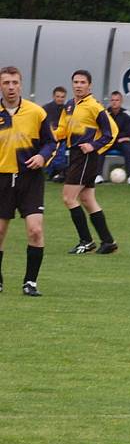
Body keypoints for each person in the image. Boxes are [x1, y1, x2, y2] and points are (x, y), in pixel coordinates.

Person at [0, 66, 56, 296]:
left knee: (35, 230)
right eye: (6, 83)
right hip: (2, 179)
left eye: (15, 82)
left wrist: (42, 156)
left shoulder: (36, 112)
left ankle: (30, 282)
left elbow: (51, 143)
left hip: (29, 179)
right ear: (1, 86)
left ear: (21, 84)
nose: (11, 87)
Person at [54, 69, 119, 255]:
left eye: (83, 82)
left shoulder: (95, 107)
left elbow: (111, 133)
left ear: (90, 85)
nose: (79, 85)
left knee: (68, 198)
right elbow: (62, 130)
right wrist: (47, 135)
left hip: (85, 157)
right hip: (75, 155)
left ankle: (86, 241)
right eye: (76, 82)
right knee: (87, 199)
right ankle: (108, 242)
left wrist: (94, 146)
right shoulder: (68, 105)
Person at [96, 91, 130, 185]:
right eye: (112, 100)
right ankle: (97, 175)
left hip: (121, 141)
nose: (114, 102)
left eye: (117, 100)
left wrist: (118, 137)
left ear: (121, 101)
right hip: (109, 140)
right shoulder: (105, 113)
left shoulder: (127, 114)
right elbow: (104, 130)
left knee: (128, 148)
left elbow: (127, 133)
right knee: (100, 147)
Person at [42, 86, 67, 182]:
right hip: (48, 138)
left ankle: (57, 172)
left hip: (62, 139)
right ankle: (55, 172)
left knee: (60, 151)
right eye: (58, 96)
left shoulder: (67, 110)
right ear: (53, 96)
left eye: (62, 97)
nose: (60, 99)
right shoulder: (45, 109)